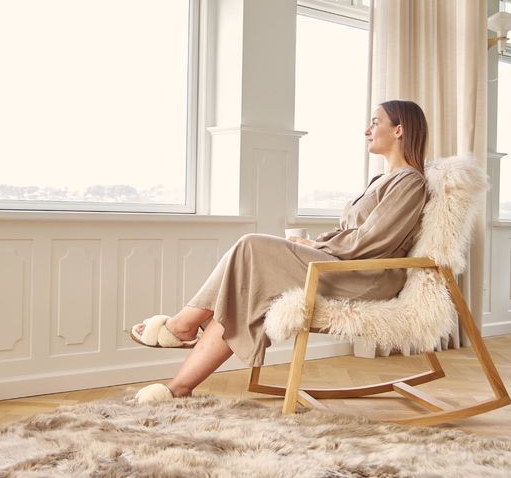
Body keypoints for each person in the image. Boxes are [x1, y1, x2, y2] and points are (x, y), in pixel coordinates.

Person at [129, 100, 429, 403]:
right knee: (243, 292)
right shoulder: (384, 180)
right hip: (344, 265)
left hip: (366, 278)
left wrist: (317, 245)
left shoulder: (410, 182)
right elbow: (359, 235)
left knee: (250, 245)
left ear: (399, 129)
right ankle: (178, 387)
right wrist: (318, 245)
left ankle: (182, 325)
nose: (367, 130)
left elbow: (374, 240)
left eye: (375, 122)